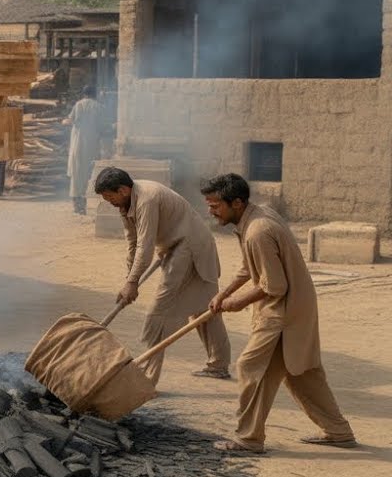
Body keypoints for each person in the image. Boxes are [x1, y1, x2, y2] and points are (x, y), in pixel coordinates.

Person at [202, 173, 357, 453]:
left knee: (252, 367)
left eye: (215, 206)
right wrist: (223, 294)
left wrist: (237, 302)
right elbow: (251, 268)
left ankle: (248, 439)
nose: (210, 211)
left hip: (282, 314)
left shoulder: (257, 231)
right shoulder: (256, 218)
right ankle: (339, 431)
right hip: (295, 307)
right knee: (301, 372)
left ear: (236, 202)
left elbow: (274, 285)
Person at [94, 166, 232, 384]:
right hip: (174, 247)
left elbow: (145, 246)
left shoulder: (147, 199)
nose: (109, 201)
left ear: (122, 190)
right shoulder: (125, 204)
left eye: (109, 196)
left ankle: (147, 379)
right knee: (204, 308)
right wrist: (130, 280)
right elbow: (132, 242)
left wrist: (132, 283)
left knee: (160, 311)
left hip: (190, 246)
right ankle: (219, 365)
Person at [64, 86, 108, 215]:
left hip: (78, 145)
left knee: (77, 175)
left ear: (84, 94)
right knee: (89, 175)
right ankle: (84, 203)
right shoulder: (99, 107)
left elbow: (70, 120)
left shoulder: (79, 105)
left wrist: (64, 121)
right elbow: (103, 127)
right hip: (92, 146)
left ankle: (78, 207)